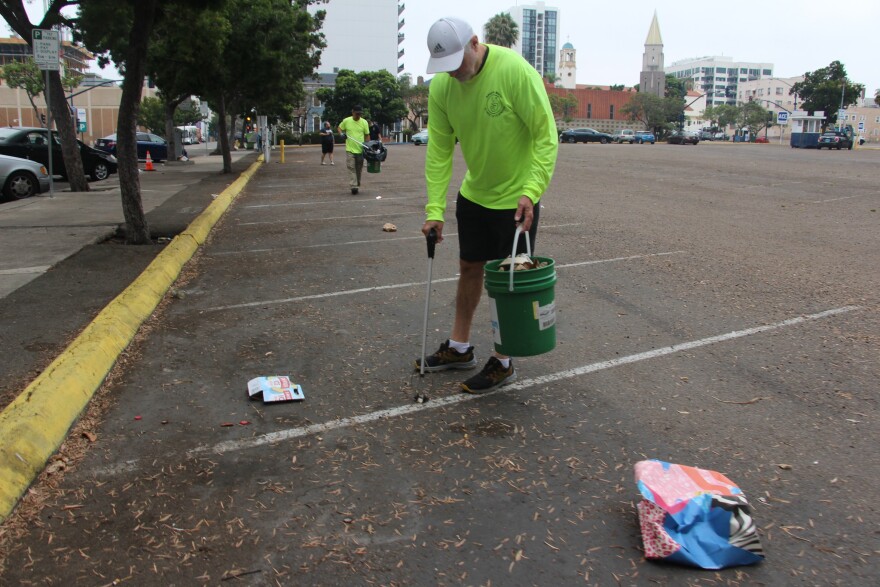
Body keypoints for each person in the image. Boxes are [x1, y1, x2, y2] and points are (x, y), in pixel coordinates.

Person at [415, 17, 558, 394]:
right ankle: (460, 348)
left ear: (475, 44)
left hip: (516, 199)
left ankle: (504, 360)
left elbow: (546, 135)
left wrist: (532, 189)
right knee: (468, 268)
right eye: (444, 69)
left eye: (457, 64)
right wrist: (434, 209)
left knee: (508, 279)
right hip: (475, 195)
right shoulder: (443, 87)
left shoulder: (514, 71)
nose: (453, 75)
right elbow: (439, 151)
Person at [337, 105, 370, 194]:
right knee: (351, 167)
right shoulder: (347, 121)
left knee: (358, 169)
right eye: (357, 113)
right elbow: (339, 128)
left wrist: (368, 146)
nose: (358, 115)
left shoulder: (364, 122)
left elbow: (367, 135)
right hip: (350, 149)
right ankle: (353, 186)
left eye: (360, 114)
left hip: (360, 149)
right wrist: (341, 134)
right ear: (353, 112)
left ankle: (357, 183)